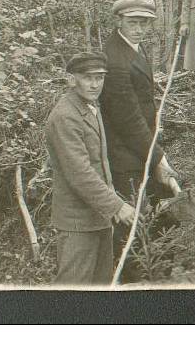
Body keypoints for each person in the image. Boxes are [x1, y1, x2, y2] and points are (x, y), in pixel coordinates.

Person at [99, 0, 178, 278]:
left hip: (140, 148)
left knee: (153, 217)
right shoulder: (116, 60)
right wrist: (158, 160)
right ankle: (133, 282)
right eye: (133, 22)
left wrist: (156, 154)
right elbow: (129, 120)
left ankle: (155, 274)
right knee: (131, 225)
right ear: (118, 20)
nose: (139, 28)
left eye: (145, 23)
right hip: (126, 156)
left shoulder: (131, 48)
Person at [46, 52, 136, 285]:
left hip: (98, 216)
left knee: (99, 285)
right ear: (72, 79)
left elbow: (99, 164)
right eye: (88, 78)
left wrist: (110, 205)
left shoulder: (89, 107)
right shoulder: (66, 116)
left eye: (100, 77)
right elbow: (80, 173)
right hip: (77, 222)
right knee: (72, 290)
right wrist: (116, 205)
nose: (95, 84)